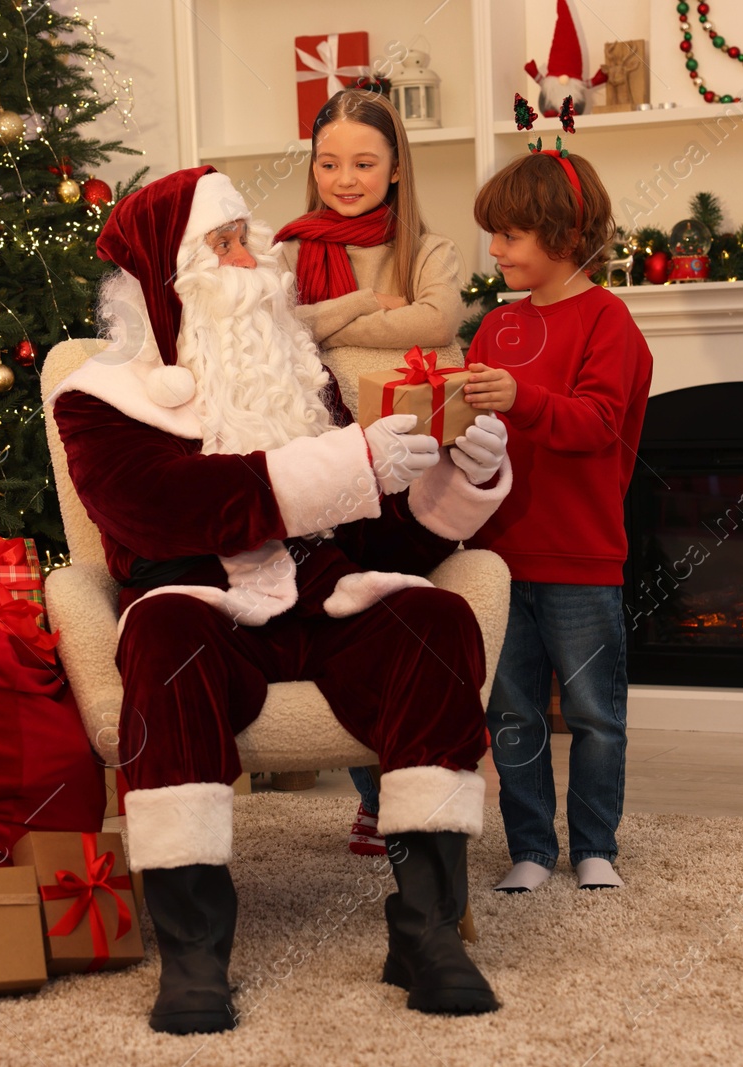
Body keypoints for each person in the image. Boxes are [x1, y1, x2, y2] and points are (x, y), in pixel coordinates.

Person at [49, 166, 514, 1033]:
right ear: (169, 274)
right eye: (223, 244)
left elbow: (374, 535)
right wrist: (349, 468)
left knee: (435, 618)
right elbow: (158, 514)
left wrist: (458, 475)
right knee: (164, 637)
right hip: (201, 604)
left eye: (246, 237)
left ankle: (426, 929)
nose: (252, 257)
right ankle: (194, 951)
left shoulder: (304, 377)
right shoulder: (98, 399)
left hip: (324, 602)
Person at [273, 88, 470, 856]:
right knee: (344, 607)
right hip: (323, 456)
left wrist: (326, 322)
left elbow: (438, 319)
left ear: (395, 169)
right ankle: (371, 791)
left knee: (401, 602)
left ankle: (412, 774)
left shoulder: (428, 247)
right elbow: (278, 330)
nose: (344, 177)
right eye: (329, 163)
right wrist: (356, 301)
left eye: (364, 162)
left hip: (413, 452)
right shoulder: (290, 249)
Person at [461, 147, 653, 893]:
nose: (496, 249)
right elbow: (476, 435)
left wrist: (520, 399)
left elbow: (598, 423)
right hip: (499, 561)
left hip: (581, 559)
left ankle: (596, 845)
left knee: (594, 715)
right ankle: (533, 848)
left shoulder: (609, 320)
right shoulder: (496, 328)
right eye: (495, 234)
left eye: (509, 235)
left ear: (565, 237)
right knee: (512, 716)